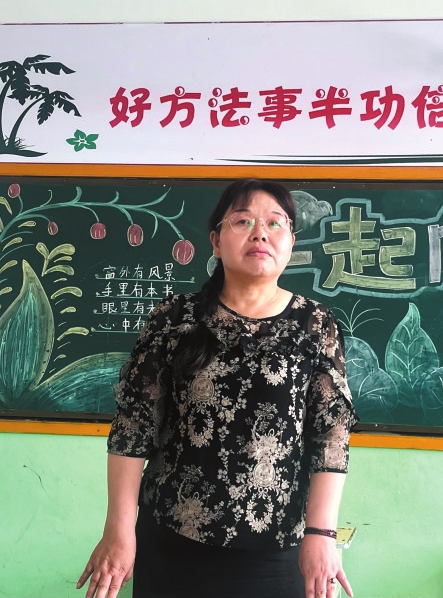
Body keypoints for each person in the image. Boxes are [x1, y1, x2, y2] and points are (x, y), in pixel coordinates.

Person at [77, 179, 358, 598]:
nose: (260, 233)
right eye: (243, 221)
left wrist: (322, 533)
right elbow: (133, 427)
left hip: (277, 548)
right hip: (172, 540)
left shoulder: (315, 324)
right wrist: (118, 530)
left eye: (275, 223)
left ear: (291, 243)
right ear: (215, 241)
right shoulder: (174, 318)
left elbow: (331, 436)